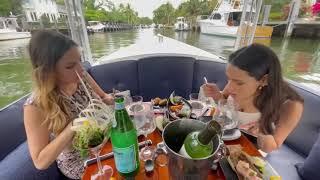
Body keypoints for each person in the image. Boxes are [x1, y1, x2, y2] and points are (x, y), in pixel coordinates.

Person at [24, 30, 113, 179]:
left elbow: (104, 97)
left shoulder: (81, 77)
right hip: (81, 167)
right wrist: (72, 126)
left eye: (80, 60)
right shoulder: (35, 106)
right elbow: (40, 162)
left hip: (106, 144)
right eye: (70, 66)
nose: (80, 69)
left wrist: (115, 101)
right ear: (48, 71)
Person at [202, 43, 304, 153]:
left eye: (239, 83)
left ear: (264, 80)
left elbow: (271, 147)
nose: (230, 87)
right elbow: (225, 101)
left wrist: (262, 132)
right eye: (229, 79)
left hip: (246, 155)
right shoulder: (235, 82)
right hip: (222, 140)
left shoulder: (290, 105)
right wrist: (217, 96)